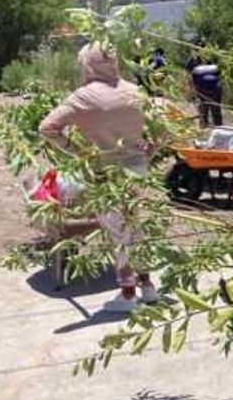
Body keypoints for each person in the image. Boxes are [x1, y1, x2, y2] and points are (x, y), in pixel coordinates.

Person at [39, 42, 158, 313]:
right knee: (136, 228)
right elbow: (160, 125)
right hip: (138, 172)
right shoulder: (135, 91)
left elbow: (47, 128)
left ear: (87, 64)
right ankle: (147, 286)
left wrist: (77, 150)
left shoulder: (84, 97)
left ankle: (128, 295)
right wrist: (150, 149)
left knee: (119, 233)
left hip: (106, 174)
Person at [185, 42, 223, 127]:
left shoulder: (212, 58)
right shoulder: (193, 60)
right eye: (199, 48)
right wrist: (191, 89)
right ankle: (204, 127)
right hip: (201, 89)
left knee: (216, 109)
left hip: (215, 88)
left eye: (203, 47)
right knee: (203, 110)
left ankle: (219, 127)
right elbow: (188, 75)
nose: (201, 49)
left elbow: (220, 72)